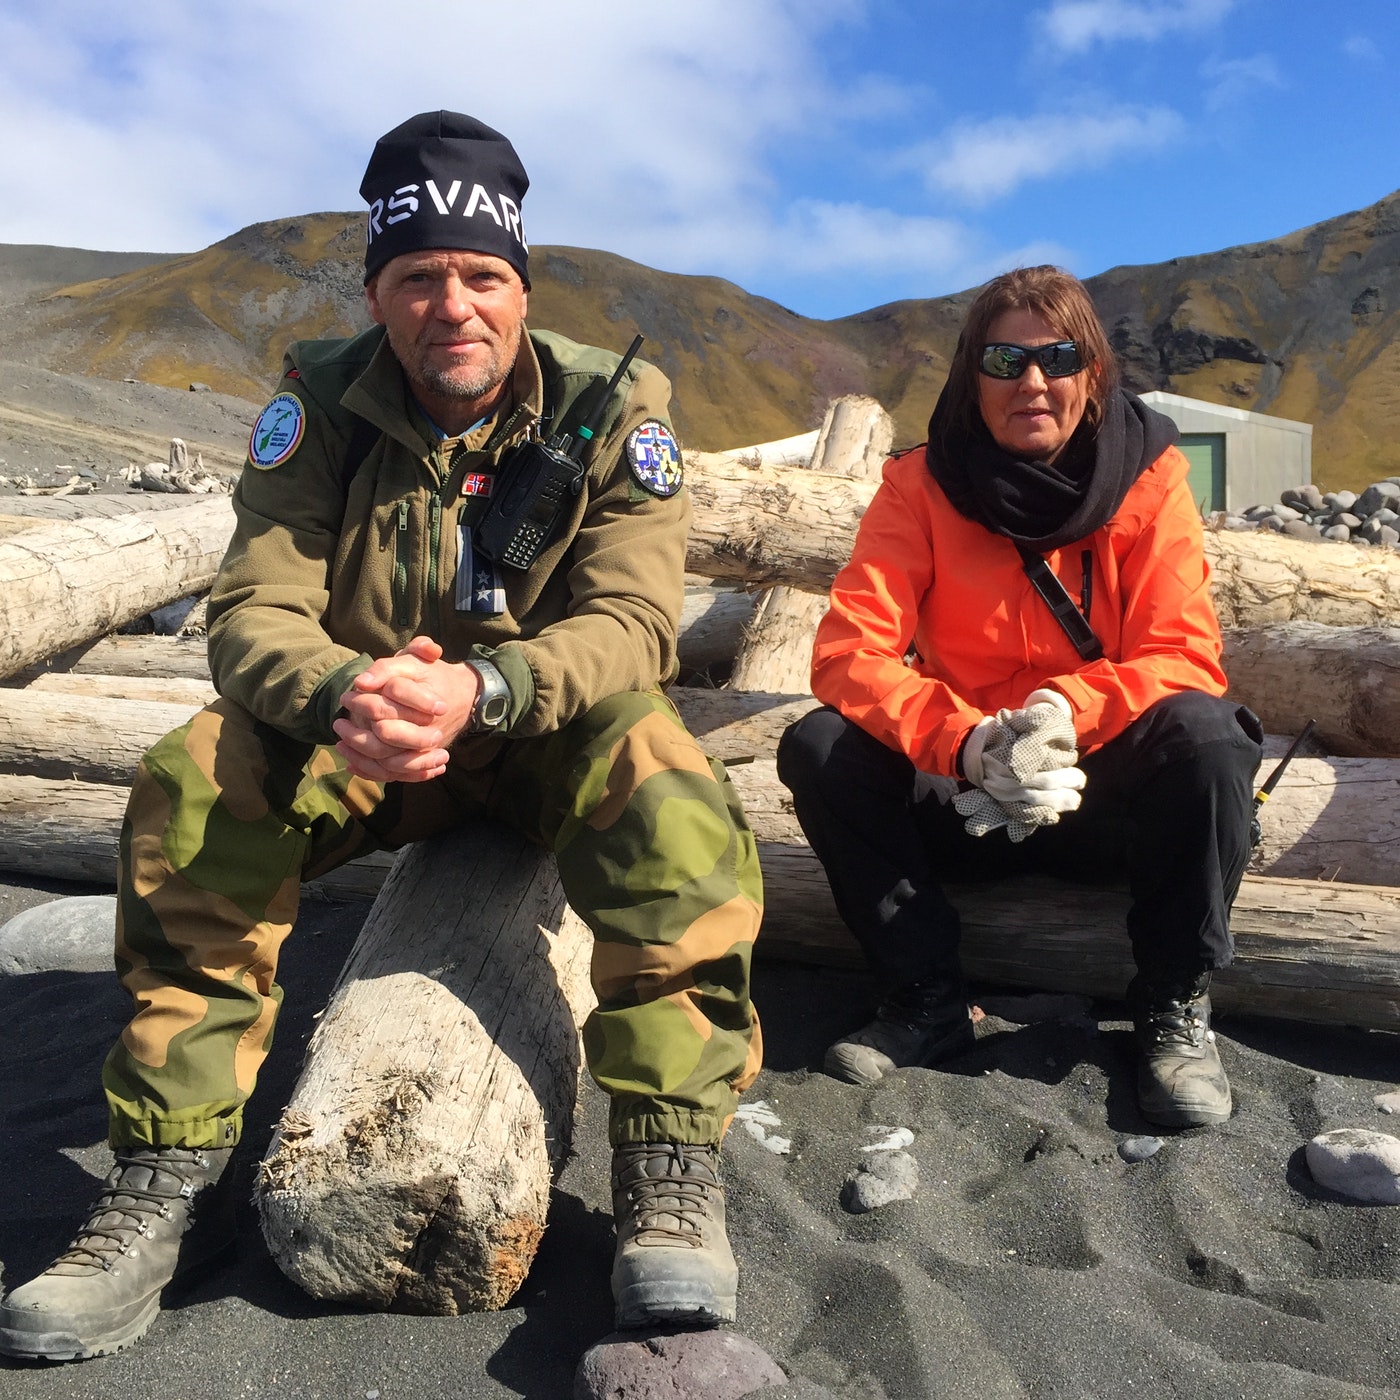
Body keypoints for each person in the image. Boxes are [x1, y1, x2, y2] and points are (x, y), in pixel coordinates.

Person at [0, 111, 762, 1362]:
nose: (449, 306)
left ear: (520, 289)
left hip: (538, 729)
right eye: (417, 278)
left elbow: (634, 620)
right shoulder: (319, 401)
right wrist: (346, 696)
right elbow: (253, 607)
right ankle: (157, 1182)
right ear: (377, 291)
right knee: (197, 776)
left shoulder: (616, 403)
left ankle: (668, 1161)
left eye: (479, 277)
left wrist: (490, 693)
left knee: (664, 778)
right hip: (362, 738)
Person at [777, 265, 1261, 1129]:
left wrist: (1060, 718)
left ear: (1093, 372)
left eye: (1057, 356)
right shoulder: (918, 487)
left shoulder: (1151, 480)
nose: (1031, 381)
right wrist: (967, 742)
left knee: (1211, 736)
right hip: (964, 800)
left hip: (1099, 801)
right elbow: (849, 653)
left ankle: (1174, 1007)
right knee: (819, 747)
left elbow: (1183, 655)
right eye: (1004, 360)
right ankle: (923, 996)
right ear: (973, 377)